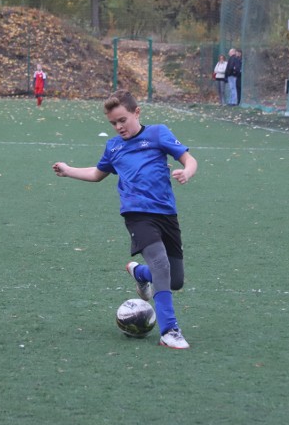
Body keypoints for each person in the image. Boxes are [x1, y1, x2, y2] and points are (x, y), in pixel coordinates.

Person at [52, 90, 198, 350]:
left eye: (122, 120)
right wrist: (68, 170)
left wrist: (186, 171)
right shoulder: (113, 146)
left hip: (166, 214)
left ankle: (140, 273)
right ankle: (170, 331)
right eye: (113, 123)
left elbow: (189, 158)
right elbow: (97, 174)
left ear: (137, 112)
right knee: (161, 266)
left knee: (175, 280)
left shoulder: (157, 133)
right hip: (137, 214)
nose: (119, 127)